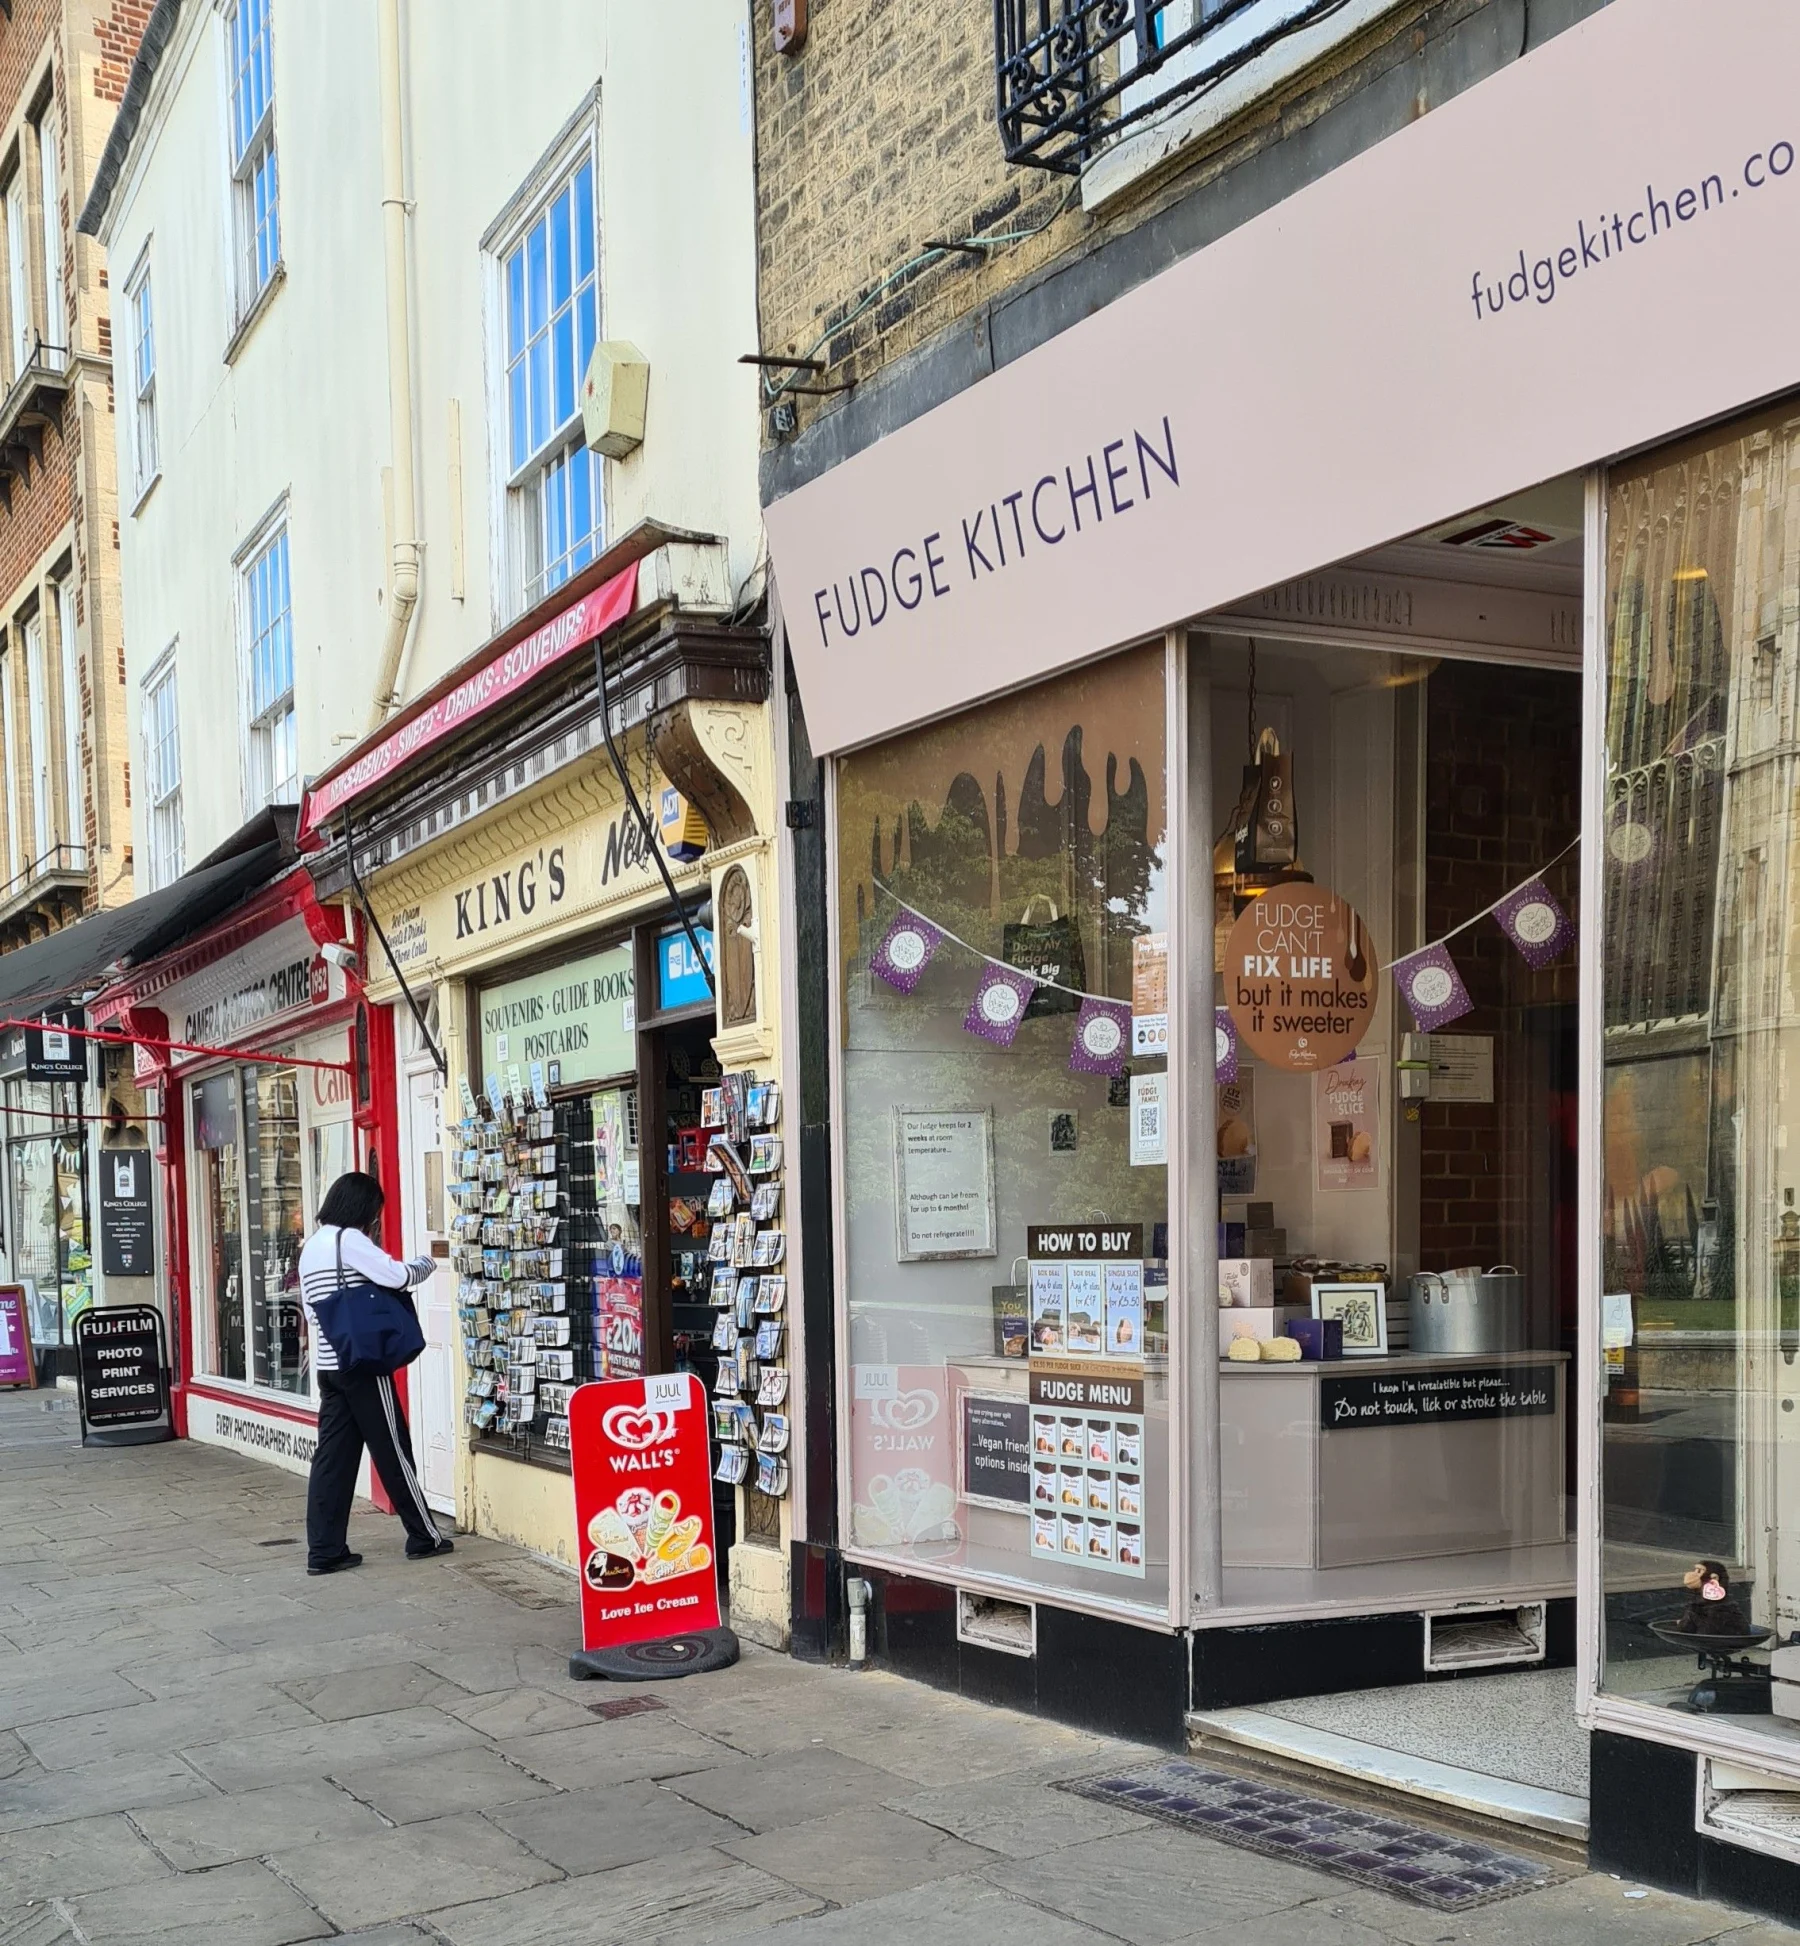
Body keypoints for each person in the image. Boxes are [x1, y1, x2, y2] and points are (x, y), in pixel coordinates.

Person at [301, 1171, 453, 1574]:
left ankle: (325, 1550)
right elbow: (396, 1276)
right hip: (363, 1365)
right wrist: (429, 1261)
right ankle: (424, 1536)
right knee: (393, 1450)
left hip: (331, 1368)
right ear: (362, 1208)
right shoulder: (349, 1240)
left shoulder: (312, 1247)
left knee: (332, 1460)